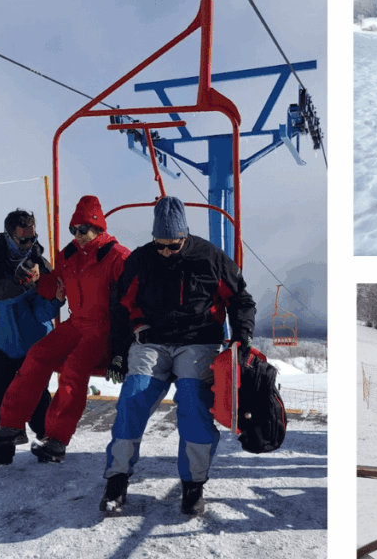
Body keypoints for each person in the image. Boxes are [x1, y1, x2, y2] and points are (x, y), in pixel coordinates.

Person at [100, 196, 256, 516]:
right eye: (161, 245)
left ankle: (193, 483)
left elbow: (240, 300)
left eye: (174, 245)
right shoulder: (142, 259)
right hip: (152, 340)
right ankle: (117, 478)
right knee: (132, 398)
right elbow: (120, 305)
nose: (167, 252)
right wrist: (119, 352)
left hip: (197, 341)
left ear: (185, 235)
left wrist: (240, 340)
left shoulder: (210, 257)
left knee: (193, 402)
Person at [0, 195, 131, 462]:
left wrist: (124, 348)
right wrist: (35, 280)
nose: (79, 235)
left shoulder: (117, 257)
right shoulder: (70, 255)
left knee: (74, 368)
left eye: (83, 229)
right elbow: (55, 285)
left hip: (103, 327)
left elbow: (132, 301)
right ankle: (11, 424)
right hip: (76, 324)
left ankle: (56, 438)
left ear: (99, 227)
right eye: (73, 230)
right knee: (38, 354)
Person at [0, 209, 63, 467]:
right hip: (1, 342)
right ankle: (1, 451)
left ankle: (48, 444)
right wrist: (25, 283)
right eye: (23, 240)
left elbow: (43, 311)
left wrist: (57, 299)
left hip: (33, 344)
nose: (29, 245)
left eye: (32, 238)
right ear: (8, 236)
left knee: (36, 399)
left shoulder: (42, 263)